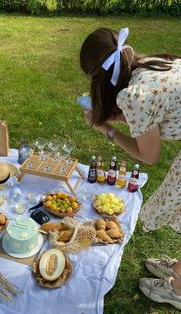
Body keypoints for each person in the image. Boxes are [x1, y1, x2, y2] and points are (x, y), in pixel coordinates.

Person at [79, 27, 181, 309]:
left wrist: (107, 129)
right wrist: (121, 119)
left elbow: (149, 155)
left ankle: (178, 289)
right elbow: (157, 114)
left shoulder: (135, 96)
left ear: (98, 77)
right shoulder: (152, 63)